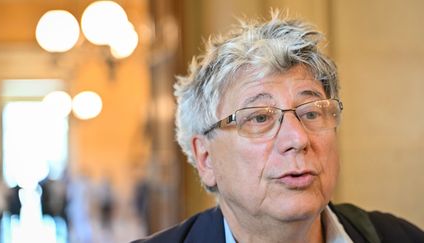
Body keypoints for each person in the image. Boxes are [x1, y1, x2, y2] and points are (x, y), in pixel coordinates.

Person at [133, 11, 424, 243]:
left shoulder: (399, 236)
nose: (298, 138)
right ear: (205, 157)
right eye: (260, 118)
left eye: (311, 113)